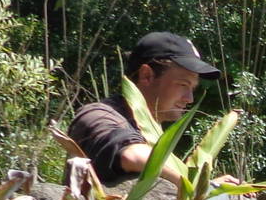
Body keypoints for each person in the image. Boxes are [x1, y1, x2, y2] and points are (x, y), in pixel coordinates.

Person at [67, 32, 221, 189]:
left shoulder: (153, 132)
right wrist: (200, 189)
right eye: (183, 84)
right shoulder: (97, 114)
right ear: (146, 75)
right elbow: (132, 155)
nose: (189, 98)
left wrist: (215, 187)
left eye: (192, 88)